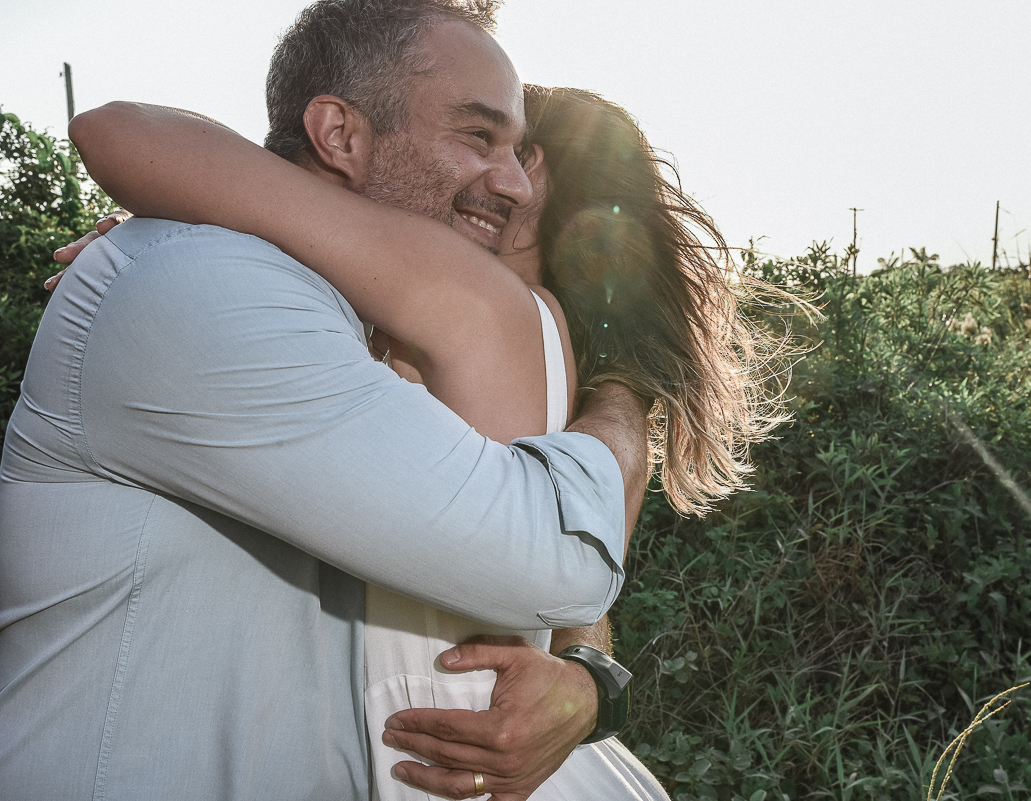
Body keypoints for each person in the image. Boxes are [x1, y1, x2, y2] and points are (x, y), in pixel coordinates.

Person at [62, 80, 790, 800]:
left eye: (515, 148)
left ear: (549, 189)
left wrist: (196, 221)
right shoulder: (562, 352)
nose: (489, 171)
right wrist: (204, 234)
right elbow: (576, 587)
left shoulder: (467, 300)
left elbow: (118, 130)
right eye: (480, 139)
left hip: (430, 749)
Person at [0, 3, 648, 800]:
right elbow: (553, 555)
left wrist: (584, 675)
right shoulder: (205, 288)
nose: (512, 185)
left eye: (518, 151)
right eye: (478, 138)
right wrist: (625, 415)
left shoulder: (361, 324)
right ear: (340, 135)